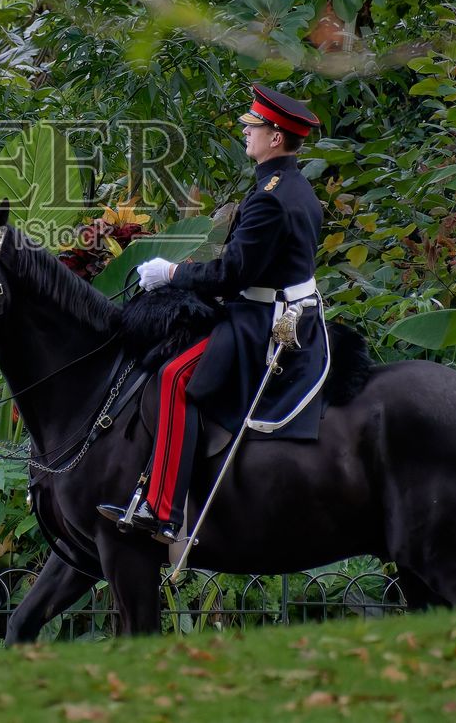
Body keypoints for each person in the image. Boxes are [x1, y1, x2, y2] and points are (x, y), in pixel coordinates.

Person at [98, 83, 325, 543]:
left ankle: (161, 511)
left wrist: (171, 273)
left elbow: (230, 275)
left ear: (276, 137)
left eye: (253, 126)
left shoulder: (270, 197)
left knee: (175, 377)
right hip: (291, 310)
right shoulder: (294, 187)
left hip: (264, 322)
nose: (247, 132)